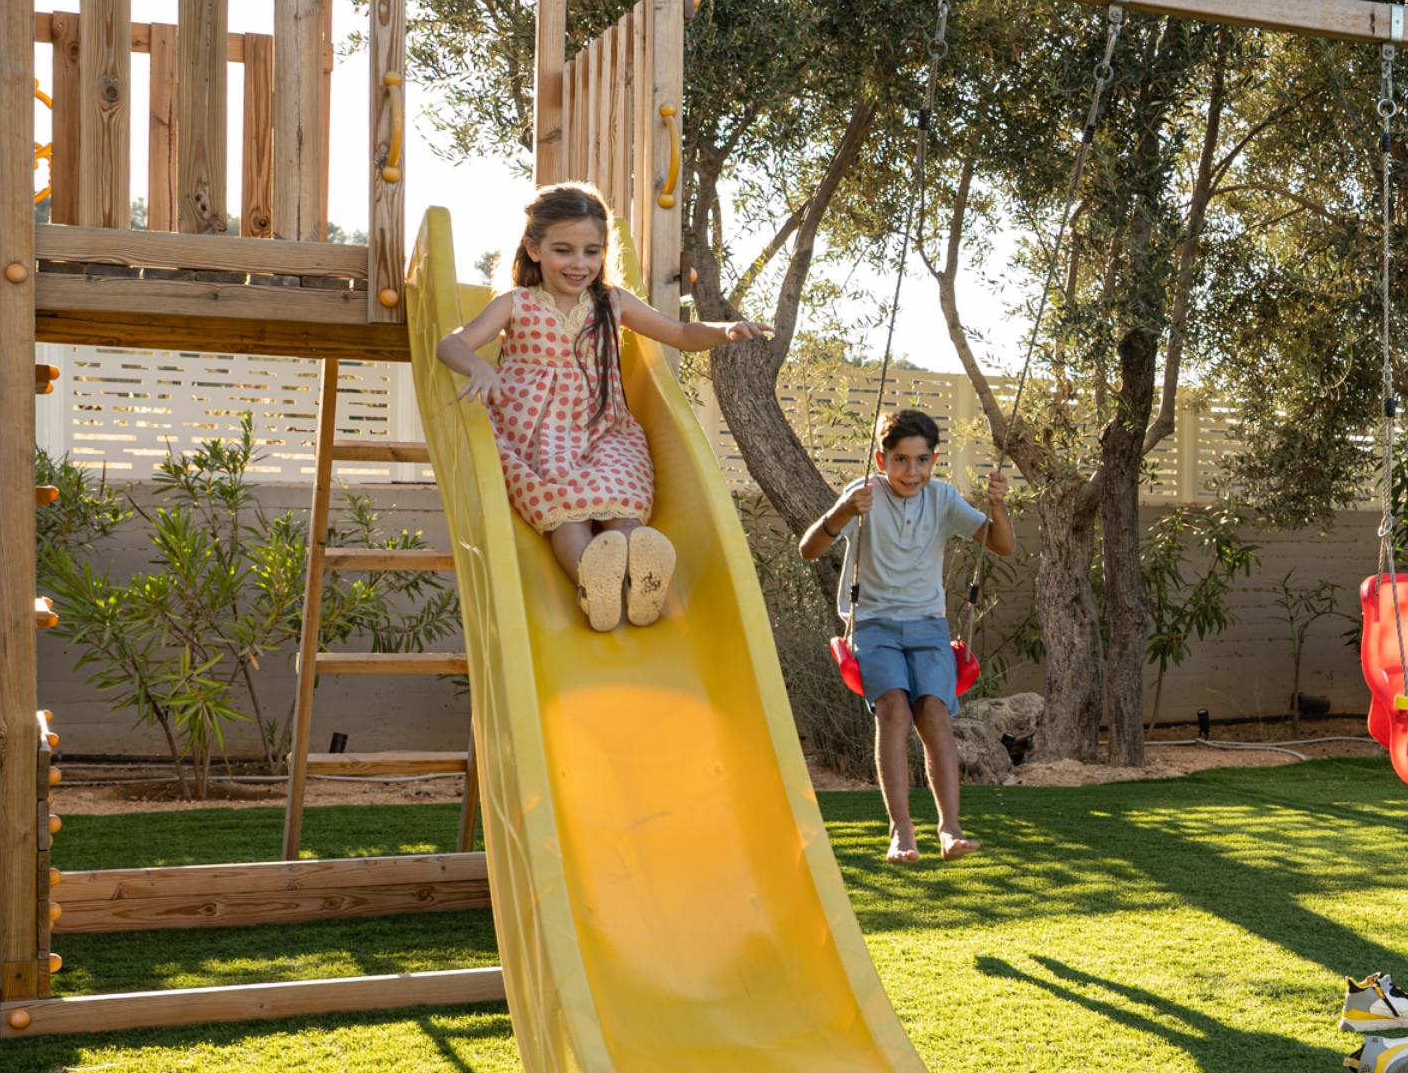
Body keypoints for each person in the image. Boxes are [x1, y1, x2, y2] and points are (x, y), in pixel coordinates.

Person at [434, 182, 763, 632]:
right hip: (537, 433)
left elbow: (681, 335)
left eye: (592, 251)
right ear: (533, 248)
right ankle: (593, 582)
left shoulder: (611, 302)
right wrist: (477, 367)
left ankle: (640, 576)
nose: (580, 264)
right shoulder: (516, 304)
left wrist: (724, 330)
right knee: (566, 510)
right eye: (564, 250)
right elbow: (450, 343)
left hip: (600, 428)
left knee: (619, 503)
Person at [801, 408, 1013, 863]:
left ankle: (950, 830)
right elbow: (809, 549)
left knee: (934, 713)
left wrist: (997, 504)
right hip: (874, 625)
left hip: (928, 628)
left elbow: (1001, 544)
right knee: (894, 712)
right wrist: (842, 512)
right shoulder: (863, 495)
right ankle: (901, 832)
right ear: (881, 461)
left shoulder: (943, 499)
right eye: (900, 460)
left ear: (933, 462)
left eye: (920, 460)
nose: (910, 471)